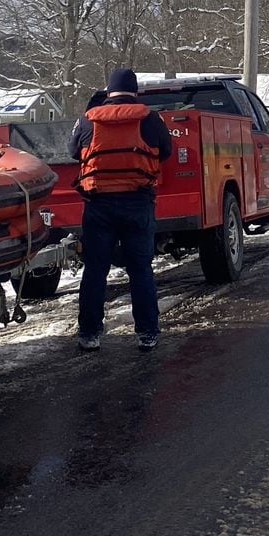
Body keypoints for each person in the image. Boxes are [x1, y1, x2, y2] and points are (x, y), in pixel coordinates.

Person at [69, 67, 173, 353]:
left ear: (109, 91)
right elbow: (165, 151)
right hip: (137, 203)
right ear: (134, 91)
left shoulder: (88, 119)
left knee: (95, 270)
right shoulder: (150, 119)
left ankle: (90, 333)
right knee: (140, 270)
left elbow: (72, 151)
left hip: (98, 204)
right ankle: (147, 333)